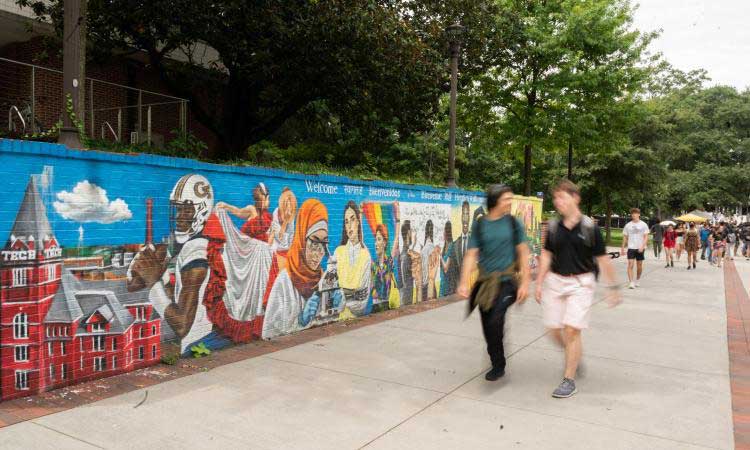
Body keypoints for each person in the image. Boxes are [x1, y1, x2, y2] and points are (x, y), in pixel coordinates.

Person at [536, 180, 620, 398]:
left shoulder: (590, 228)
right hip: (555, 281)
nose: (557, 202)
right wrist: (538, 282)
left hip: (581, 283)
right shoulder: (554, 227)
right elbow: (546, 254)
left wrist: (613, 287)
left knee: (572, 329)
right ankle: (574, 355)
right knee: (553, 330)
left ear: (576, 198)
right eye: (555, 198)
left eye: (562, 197)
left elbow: (602, 259)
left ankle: (569, 379)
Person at [457, 184, 530, 382]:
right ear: (495, 200)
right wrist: (464, 282)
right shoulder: (480, 225)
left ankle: (499, 366)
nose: (510, 202)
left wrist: (524, 283)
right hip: (485, 284)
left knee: (496, 320)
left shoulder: (514, 223)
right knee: (488, 326)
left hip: (507, 282)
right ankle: (496, 359)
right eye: (507, 198)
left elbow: (523, 252)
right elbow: (471, 254)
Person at [262, 199, 342, 339]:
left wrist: (338, 305)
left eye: (324, 243)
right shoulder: (284, 282)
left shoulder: (323, 279)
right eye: (314, 241)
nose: (319, 252)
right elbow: (269, 333)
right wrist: (299, 321)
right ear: (302, 239)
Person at [334, 201, 372, 318]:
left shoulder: (366, 255)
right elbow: (331, 290)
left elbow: (362, 299)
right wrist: (351, 293)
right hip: (338, 318)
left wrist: (342, 296)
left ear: (358, 222)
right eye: (346, 222)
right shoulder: (338, 252)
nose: (349, 225)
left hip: (356, 318)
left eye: (352, 219)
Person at [621, 208, 649, 289]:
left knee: (639, 265)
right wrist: (622, 248)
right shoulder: (628, 225)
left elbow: (646, 237)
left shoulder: (643, 224)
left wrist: (642, 246)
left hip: (640, 247)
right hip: (631, 247)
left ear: (639, 214)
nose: (634, 215)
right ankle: (631, 282)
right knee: (630, 264)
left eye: (636, 213)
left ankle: (638, 279)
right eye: (632, 214)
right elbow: (625, 237)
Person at [440, 222, 457, 297]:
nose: (443, 233)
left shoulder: (451, 246)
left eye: (444, 231)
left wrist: (440, 256)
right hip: (443, 285)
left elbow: (446, 268)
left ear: (447, 232)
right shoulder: (444, 247)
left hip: (448, 287)